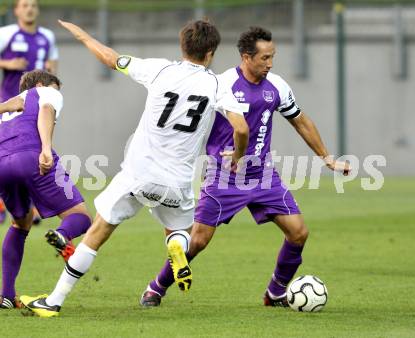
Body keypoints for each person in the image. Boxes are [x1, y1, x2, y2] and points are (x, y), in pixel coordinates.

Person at [20, 19, 249, 317]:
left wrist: (81, 34)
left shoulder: (159, 69)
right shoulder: (218, 84)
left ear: (183, 47)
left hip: (139, 172)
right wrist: (238, 155)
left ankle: (54, 301)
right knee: (180, 230)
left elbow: (110, 58)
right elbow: (241, 128)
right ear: (211, 53)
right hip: (177, 180)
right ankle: (177, 246)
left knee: (97, 232)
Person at [141, 26, 351, 308]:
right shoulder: (221, 84)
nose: (270, 63)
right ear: (246, 57)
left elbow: (300, 120)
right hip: (223, 174)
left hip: (262, 175)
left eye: (272, 57)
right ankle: (156, 288)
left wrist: (327, 158)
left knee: (298, 232)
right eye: (265, 58)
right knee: (199, 240)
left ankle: (275, 293)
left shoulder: (277, 86)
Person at [0, 70, 91, 309]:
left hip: (1, 164)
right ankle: (62, 234)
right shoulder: (46, 91)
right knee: (80, 216)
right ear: (41, 84)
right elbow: (46, 110)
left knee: (21, 223)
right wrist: (47, 149)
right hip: (32, 157)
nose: (57, 94)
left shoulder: (9, 105)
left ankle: (7, 295)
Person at [0, 0, 59, 225]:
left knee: (33, 153)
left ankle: (29, 206)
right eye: (24, 5)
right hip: (7, 106)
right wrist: (7, 63)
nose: (29, 8)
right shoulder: (7, 34)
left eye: (33, 5)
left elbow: (53, 64)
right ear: (16, 10)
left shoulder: (47, 36)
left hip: (34, 106)